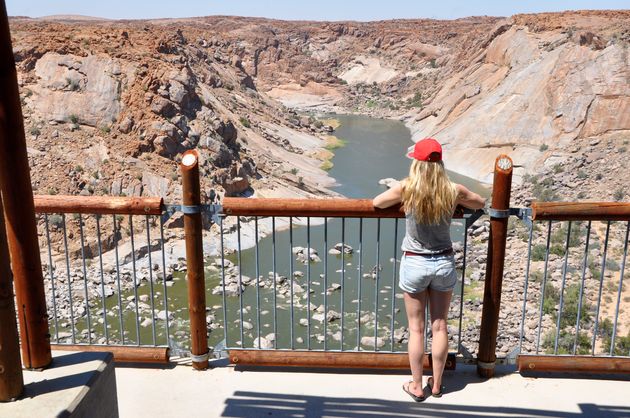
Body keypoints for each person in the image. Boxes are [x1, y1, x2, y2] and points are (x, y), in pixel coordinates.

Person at [372, 138, 485, 402]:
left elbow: (378, 202)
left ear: (417, 163)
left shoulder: (407, 188)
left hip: (415, 262)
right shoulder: (452, 189)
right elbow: (479, 202)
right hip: (443, 261)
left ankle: (417, 386)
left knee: (416, 329)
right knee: (440, 326)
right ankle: (437, 386)